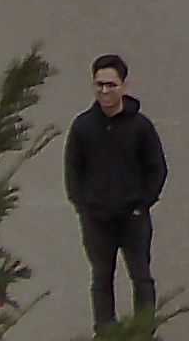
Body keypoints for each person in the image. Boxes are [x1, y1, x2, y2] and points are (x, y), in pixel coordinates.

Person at [64, 52, 169, 330]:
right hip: (97, 220)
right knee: (101, 277)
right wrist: (84, 207)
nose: (104, 91)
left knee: (141, 276)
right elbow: (73, 170)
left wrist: (142, 205)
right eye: (99, 84)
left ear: (124, 86)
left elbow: (157, 168)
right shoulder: (83, 127)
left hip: (133, 218)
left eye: (111, 84)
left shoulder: (141, 127)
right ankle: (105, 330)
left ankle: (144, 329)